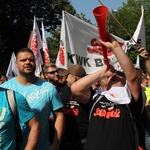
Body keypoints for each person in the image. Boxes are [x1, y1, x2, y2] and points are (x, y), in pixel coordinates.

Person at [71, 33, 144, 150]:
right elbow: (75, 88)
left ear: (126, 82)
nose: (114, 76)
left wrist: (115, 48)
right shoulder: (97, 97)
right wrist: (101, 73)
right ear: (104, 83)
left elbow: (133, 77)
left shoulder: (130, 98)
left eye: (120, 75)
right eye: (110, 76)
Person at [0, 48, 65, 150]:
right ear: (16, 64)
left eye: (31, 60)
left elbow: (60, 115)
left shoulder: (48, 88)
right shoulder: (5, 88)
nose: (27, 63)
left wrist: (56, 144)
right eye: (23, 60)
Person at [59, 64, 94, 150]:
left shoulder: (88, 93)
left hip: (84, 141)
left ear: (74, 78)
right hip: (67, 140)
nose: (66, 79)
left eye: (68, 76)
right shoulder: (65, 89)